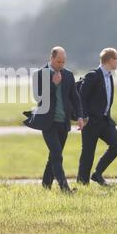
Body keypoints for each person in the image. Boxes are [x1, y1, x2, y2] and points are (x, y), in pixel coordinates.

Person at [26, 46, 85, 194]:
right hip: (48, 122)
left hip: (63, 122)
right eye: (58, 61)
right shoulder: (39, 75)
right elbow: (38, 97)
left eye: (63, 62)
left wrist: (79, 116)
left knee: (53, 155)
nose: (61, 65)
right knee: (57, 154)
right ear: (51, 58)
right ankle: (65, 188)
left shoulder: (68, 75)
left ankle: (46, 186)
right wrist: (53, 84)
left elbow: (75, 98)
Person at [77, 48, 117, 186]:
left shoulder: (109, 76)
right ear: (109, 60)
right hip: (91, 121)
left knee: (116, 145)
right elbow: (81, 97)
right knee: (88, 153)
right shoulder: (93, 76)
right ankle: (82, 182)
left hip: (105, 120)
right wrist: (83, 116)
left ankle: (97, 174)